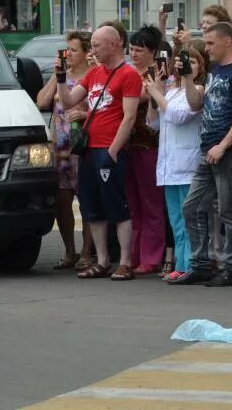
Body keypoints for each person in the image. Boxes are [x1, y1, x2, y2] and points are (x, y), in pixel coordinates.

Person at [169, 23, 232, 287]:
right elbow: (196, 104)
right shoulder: (216, 70)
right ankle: (201, 265)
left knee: (228, 210)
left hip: (228, 152)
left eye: (210, 43)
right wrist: (186, 78)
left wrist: (224, 145)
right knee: (191, 206)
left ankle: (231, 267)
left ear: (227, 41)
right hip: (208, 150)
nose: (206, 49)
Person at [57, 24, 140, 281]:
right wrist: (61, 78)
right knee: (91, 206)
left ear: (113, 44)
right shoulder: (94, 74)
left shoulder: (128, 74)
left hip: (108, 149)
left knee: (116, 204)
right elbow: (69, 101)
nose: (93, 49)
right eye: (92, 44)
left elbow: (129, 117)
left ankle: (124, 261)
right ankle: (102, 259)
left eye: (96, 45)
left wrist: (114, 149)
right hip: (89, 149)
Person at [144, 42, 205, 282]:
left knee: (190, 217)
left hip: (188, 165)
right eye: (184, 62)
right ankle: (181, 263)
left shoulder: (198, 89)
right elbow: (153, 123)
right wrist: (155, 93)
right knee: (176, 220)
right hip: (169, 165)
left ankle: (192, 263)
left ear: (200, 67)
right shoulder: (171, 91)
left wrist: (157, 94)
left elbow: (180, 116)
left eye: (192, 62)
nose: (187, 66)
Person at [37, 30, 94, 270]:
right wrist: (56, 75)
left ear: (86, 52)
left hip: (84, 145)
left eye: (73, 50)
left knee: (88, 202)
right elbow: (41, 102)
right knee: (62, 201)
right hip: (60, 147)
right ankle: (69, 250)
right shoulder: (62, 76)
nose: (68, 54)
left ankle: (87, 252)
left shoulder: (92, 76)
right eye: (66, 50)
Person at [125, 26, 167, 275]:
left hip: (150, 144)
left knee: (151, 204)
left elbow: (138, 96)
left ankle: (151, 256)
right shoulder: (128, 72)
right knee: (132, 204)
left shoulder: (157, 74)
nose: (134, 53)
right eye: (131, 49)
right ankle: (132, 253)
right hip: (127, 144)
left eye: (140, 49)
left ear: (153, 51)